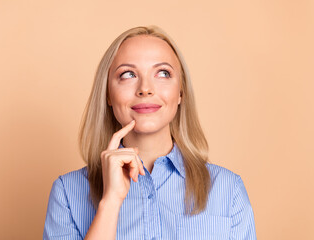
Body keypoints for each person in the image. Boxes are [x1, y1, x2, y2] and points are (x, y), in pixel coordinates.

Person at [43, 25, 256, 240]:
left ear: (180, 92)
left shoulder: (229, 190)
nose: (145, 88)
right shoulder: (67, 193)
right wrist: (110, 202)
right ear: (108, 94)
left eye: (163, 73)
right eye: (128, 74)